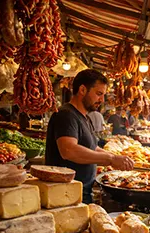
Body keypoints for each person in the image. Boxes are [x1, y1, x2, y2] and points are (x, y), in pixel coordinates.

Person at [46, 69, 134, 204]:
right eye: (99, 94)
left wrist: (116, 158)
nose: (102, 100)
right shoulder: (66, 115)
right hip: (65, 195)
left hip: (81, 192)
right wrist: (111, 159)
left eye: (103, 95)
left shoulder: (86, 118)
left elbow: (92, 147)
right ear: (82, 89)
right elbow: (69, 150)